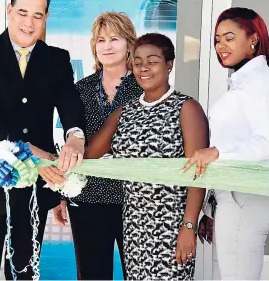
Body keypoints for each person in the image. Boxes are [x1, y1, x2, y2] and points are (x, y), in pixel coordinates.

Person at [0, 0, 86, 280]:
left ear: (46, 18)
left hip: (34, 191)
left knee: (26, 271)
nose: (29, 23)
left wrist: (75, 137)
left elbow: (69, 102)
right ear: (9, 11)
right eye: (22, 12)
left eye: (38, 15)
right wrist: (29, 153)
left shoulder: (57, 58)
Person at [84, 33, 209, 280]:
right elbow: (88, 155)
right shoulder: (124, 113)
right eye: (138, 61)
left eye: (152, 60)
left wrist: (188, 227)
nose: (143, 67)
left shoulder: (186, 108)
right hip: (134, 223)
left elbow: (198, 173)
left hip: (171, 224)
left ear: (169, 64)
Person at [52, 12, 142, 280]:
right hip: (87, 198)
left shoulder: (144, 87)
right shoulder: (80, 89)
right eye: (100, 40)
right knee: (91, 274)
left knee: (138, 273)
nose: (107, 46)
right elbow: (69, 141)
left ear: (129, 43)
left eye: (115, 38)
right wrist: (61, 193)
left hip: (134, 199)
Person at [184, 7, 269, 280]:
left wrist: (218, 153)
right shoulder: (244, 83)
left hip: (244, 197)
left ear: (253, 39)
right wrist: (212, 206)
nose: (221, 45)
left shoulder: (259, 83)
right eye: (218, 39)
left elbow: (266, 142)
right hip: (234, 197)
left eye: (229, 37)